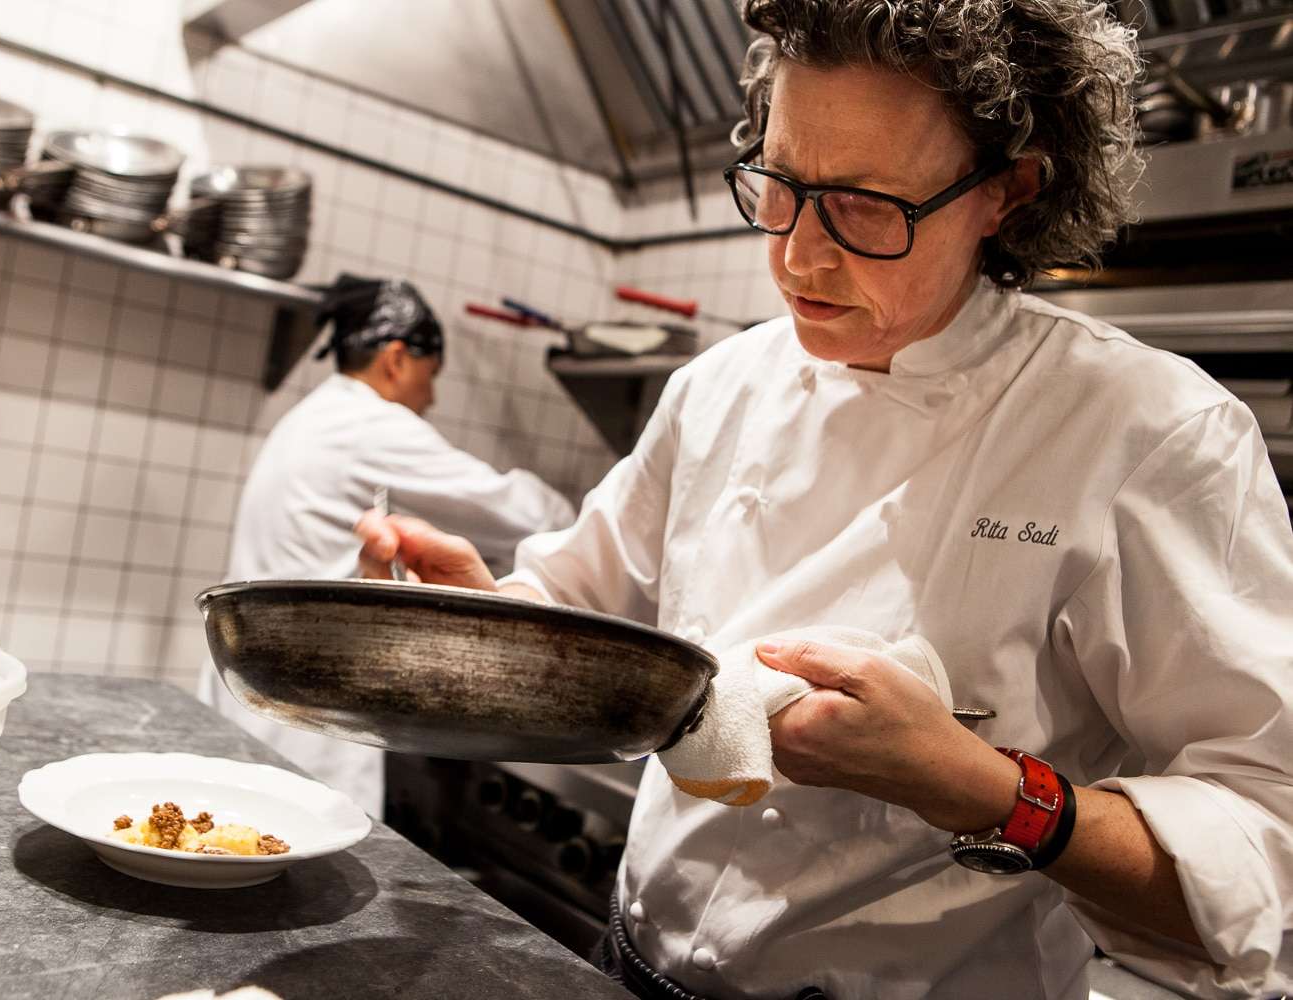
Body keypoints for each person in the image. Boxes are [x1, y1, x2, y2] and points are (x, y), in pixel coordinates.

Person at [355, 3, 1293, 998]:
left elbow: (1264, 846)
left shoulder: (1146, 432)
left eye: (865, 205)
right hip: (626, 969)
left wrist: (975, 786)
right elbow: (580, 622)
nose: (800, 256)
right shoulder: (720, 387)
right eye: (782, 183)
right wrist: (482, 615)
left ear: (1008, 195)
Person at [199, 275, 576, 817]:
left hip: (263, 688)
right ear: (396, 359)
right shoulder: (367, 425)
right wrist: (595, 521)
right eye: (431, 375)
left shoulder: (315, 416)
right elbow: (523, 514)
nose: (432, 396)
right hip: (307, 717)